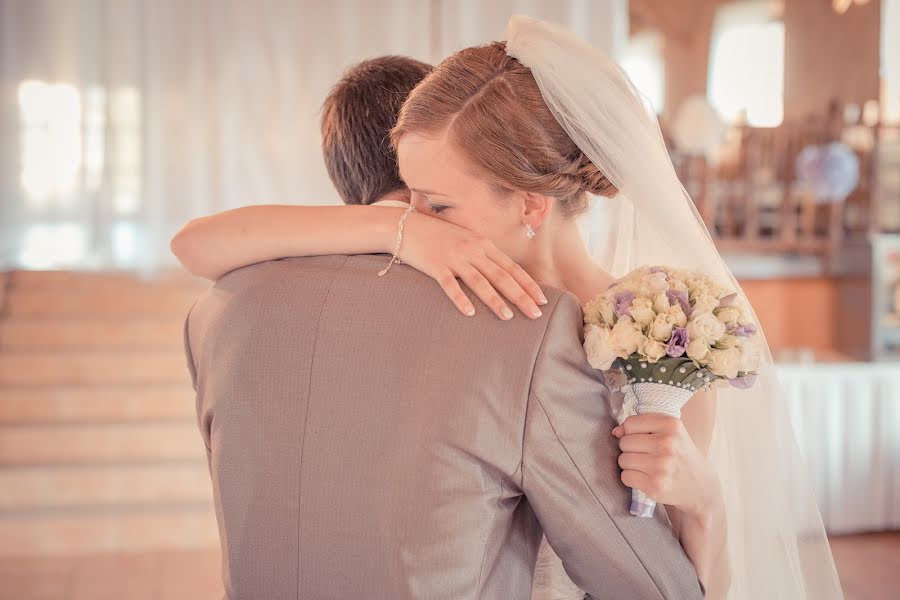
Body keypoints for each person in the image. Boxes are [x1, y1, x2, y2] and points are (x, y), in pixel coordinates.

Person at [174, 16, 844, 600]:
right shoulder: (437, 294)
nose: (413, 216)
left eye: (434, 204)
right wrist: (398, 230)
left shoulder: (659, 334)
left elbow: (677, 581)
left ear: (529, 204)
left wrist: (704, 498)